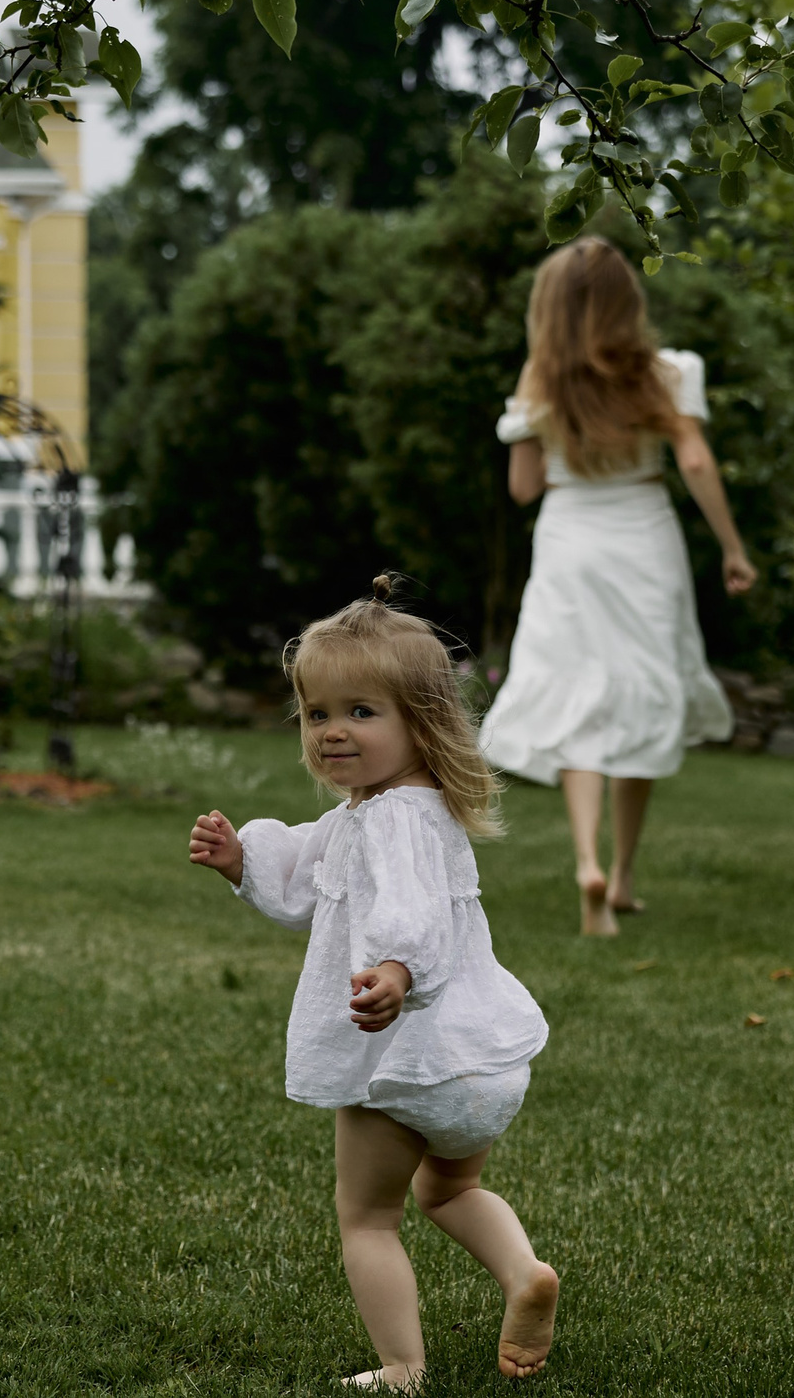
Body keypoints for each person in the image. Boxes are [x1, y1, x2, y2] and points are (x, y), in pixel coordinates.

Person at [188, 581, 557, 1389]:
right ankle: (524, 1270)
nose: (333, 732)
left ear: (420, 724)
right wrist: (246, 862)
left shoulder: (391, 820)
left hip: (405, 1059)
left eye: (361, 712)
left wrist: (394, 970)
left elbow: (409, 912)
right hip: (481, 1067)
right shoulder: (400, 809)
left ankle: (401, 1366)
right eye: (318, 713)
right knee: (452, 1188)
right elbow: (311, 880)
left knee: (367, 1215)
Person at [479, 236, 759, 936]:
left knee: (579, 696)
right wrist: (732, 547)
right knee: (640, 694)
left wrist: (551, 431)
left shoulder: (540, 380)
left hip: (571, 539)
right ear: (628, 301)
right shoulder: (668, 373)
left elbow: (523, 490)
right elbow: (693, 458)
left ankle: (586, 866)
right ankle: (626, 874)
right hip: (644, 532)